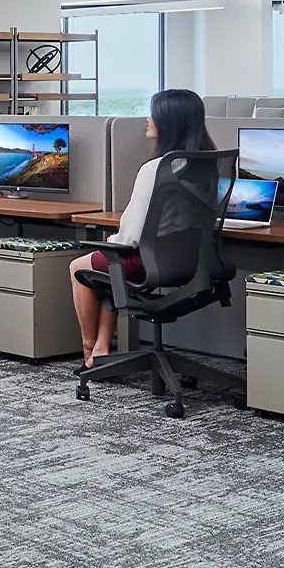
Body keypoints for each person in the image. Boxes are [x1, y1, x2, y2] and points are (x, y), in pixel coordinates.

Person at [71, 88, 214, 368]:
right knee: (109, 266)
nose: (148, 119)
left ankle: (88, 347)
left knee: (80, 267)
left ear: (170, 122)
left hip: (149, 263)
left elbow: (131, 236)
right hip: (193, 261)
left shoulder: (156, 169)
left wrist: (113, 241)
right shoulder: (205, 164)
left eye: (153, 114)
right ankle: (102, 348)